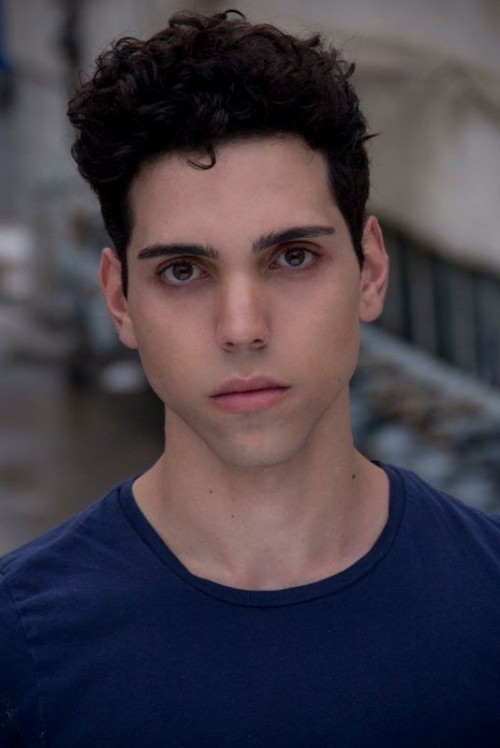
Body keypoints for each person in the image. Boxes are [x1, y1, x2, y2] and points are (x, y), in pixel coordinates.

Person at [1, 9, 499, 747]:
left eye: (293, 257)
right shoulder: (20, 645)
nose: (242, 327)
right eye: (183, 270)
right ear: (119, 300)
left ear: (370, 271)